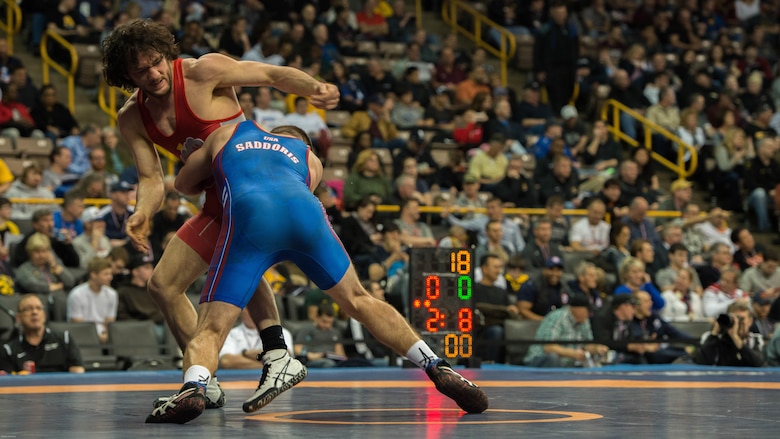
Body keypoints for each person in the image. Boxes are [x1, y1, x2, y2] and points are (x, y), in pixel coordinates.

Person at [144, 123, 488, 423]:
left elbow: (183, 185)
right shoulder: (311, 159)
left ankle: (195, 386)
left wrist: (204, 163)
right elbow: (290, 190)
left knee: (212, 327)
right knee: (359, 299)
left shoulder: (229, 133)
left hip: (252, 216)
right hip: (306, 216)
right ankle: (435, 363)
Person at [102, 18, 339, 410]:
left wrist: (313, 88)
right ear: (126, 75)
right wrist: (142, 212)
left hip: (254, 187)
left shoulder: (201, 71)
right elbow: (150, 176)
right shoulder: (131, 117)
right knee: (162, 286)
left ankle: (274, 354)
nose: (155, 73)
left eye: (158, 62)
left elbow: (271, 73)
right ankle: (204, 379)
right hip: (214, 202)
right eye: (142, 70)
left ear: (166, 54)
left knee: (232, 260)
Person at [0, 294, 85, 373]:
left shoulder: (64, 340)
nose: (34, 312)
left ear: (44, 315)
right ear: (18, 318)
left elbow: (78, 372)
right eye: (28, 309)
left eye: (38, 308)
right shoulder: (9, 350)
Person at [693, 300, 765, 367]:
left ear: (750, 321)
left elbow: (759, 363)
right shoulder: (712, 337)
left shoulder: (755, 339)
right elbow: (700, 362)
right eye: (734, 319)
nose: (737, 323)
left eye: (741, 319)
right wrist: (715, 333)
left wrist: (735, 338)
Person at [219, 308, 294, 370]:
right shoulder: (230, 333)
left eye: (256, 309)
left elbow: (283, 357)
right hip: (237, 380)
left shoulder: (280, 332)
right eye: (248, 309)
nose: (252, 313)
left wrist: (245, 354)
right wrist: (267, 366)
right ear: (241, 311)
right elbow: (226, 361)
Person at [66, 258, 117, 344]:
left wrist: (106, 336)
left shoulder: (112, 294)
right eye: (106, 274)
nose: (110, 277)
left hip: (105, 336)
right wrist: (97, 337)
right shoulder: (77, 294)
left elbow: (110, 322)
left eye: (111, 274)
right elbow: (77, 325)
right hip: (82, 336)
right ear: (93, 275)